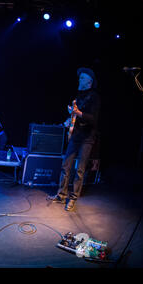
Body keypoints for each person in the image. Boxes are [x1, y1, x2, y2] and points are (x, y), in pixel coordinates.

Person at [48, 67, 100, 211]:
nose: (79, 80)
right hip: (76, 135)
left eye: (82, 78)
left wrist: (78, 113)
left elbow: (94, 119)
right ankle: (61, 194)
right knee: (66, 166)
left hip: (87, 138)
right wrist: (70, 118)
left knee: (80, 170)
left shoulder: (94, 97)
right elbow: (76, 117)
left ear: (89, 81)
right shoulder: (79, 96)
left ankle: (73, 198)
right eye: (80, 78)